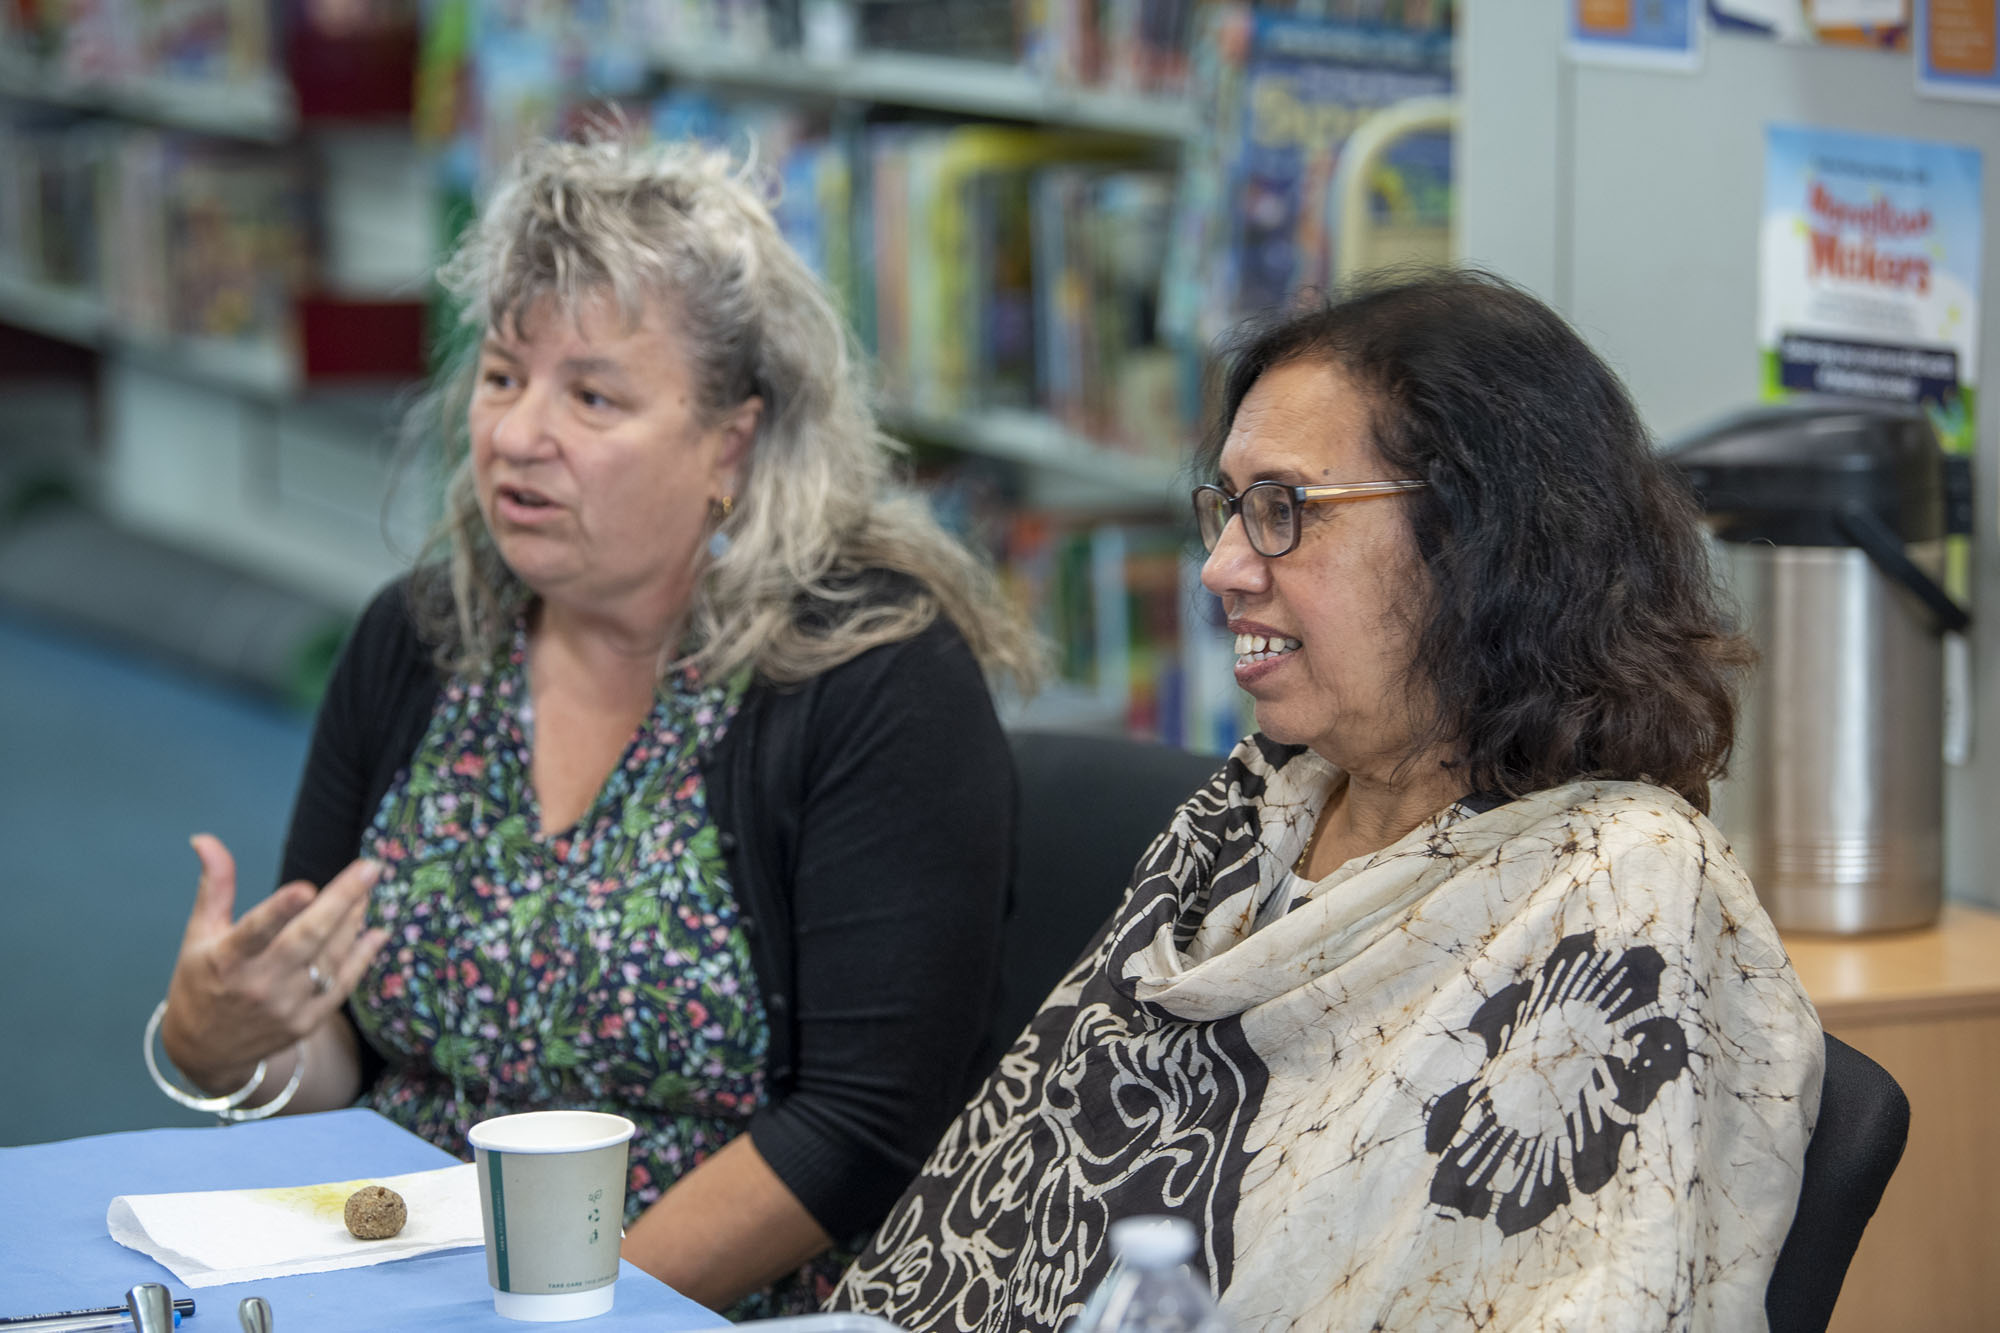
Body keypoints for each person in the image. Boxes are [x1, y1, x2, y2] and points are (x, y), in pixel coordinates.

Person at [828, 270, 1823, 1331]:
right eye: (1227, 507)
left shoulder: (1618, 885)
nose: (1220, 568)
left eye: (1282, 510)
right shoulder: (1254, 807)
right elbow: (1019, 1203)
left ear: (1482, 536)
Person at [149, 134, 1038, 1316]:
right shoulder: (422, 638)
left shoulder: (870, 675)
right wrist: (227, 1042)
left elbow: (859, 1126)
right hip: (397, 1269)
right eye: (504, 376)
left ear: (733, 438)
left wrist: (573, 1302)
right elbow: (338, 1054)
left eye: (593, 395)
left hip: (699, 1292)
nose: (518, 435)